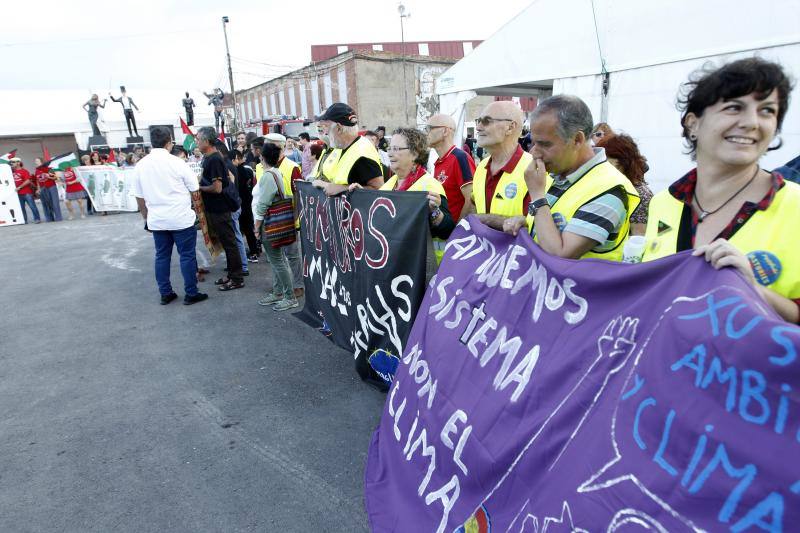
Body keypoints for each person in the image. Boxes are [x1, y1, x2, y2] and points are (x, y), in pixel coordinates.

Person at [643, 57, 799, 323]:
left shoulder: (794, 206)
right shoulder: (664, 204)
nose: (752, 122)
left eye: (767, 111)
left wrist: (752, 291)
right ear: (693, 124)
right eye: (734, 107)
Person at [493, 95, 640, 262]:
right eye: (533, 143)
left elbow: (559, 255)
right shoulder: (562, 175)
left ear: (577, 140)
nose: (534, 152)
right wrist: (528, 223)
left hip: (583, 288)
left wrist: (537, 197)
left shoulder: (610, 189)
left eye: (545, 144)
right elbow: (553, 227)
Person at [353, 128, 455, 264]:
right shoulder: (392, 182)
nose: (389, 153)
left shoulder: (429, 185)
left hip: (422, 266)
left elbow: (447, 230)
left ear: (414, 153)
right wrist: (363, 195)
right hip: (396, 261)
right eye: (389, 148)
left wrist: (435, 212)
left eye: (396, 149)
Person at [133, 126, 207, 305]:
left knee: (162, 256)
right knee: (187, 256)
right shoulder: (177, 162)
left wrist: (146, 218)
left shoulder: (141, 165)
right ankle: (191, 293)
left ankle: (165, 293)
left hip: (157, 220)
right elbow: (194, 188)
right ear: (169, 142)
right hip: (180, 217)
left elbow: (139, 197)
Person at [196, 126, 245, 291]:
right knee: (226, 243)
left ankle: (237, 278)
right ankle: (231, 275)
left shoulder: (215, 159)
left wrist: (199, 188)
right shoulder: (209, 158)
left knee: (230, 243)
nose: (196, 141)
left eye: (197, 139)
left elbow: (217, 188)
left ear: (206, 141)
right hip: (214, 209)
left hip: (220, 208)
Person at [253, 143, 299, 312]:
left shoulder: (267, 176)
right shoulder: (277, 172)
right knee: (277, 260)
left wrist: (256, 227)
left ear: (262, 157)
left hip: (269, 223)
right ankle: (279, 292)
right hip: (277, 222)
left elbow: (263, 204)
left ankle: (289, 296)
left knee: (277, 261)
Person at [470, 101, 533, 222]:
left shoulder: (533, 169)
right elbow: (475, 206)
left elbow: (536, 226)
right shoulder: (482, 166)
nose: (478, 127)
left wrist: (487, 220)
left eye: (487, 121)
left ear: (510, 127)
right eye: (478, 121)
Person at [313, 103, 383, 195]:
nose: (325, 132)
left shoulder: (362, 153)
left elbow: (379, 190)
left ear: (339, 128)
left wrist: (340, 188)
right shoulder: (342, 148)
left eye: (327, 127)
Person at [264, 132, 303, 297]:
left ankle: (298, 285)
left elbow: (298, 194)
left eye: (268, 143)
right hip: (269, 218)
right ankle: (280, 286)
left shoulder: (292, 166)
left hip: (287, 217)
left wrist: (295, 218)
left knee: (292, 255)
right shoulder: (261, 166)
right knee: (275, 257)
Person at [595, 133, 652, 235]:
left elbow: (638, 237)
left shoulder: (640, 194)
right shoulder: (609, 185)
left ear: (621, 162)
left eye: (604, 157)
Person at [427, 113, 476, 221]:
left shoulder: (460, 157)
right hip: (443, 232)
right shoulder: (440, 161)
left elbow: (472, 200)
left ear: (445, 131)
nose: (426, 133)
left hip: (455, 234)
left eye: (430, 128)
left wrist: (457, 232)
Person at [215, 141, 249, 278]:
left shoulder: (226, 165)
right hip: (234, 204)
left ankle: (243, 266)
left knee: (235, 236)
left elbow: (230, 186)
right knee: (234, 236)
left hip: (233, 205)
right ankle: (237, 264)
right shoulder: (227, 163)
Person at [34, 158, 63, 222]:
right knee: (46, 204)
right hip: (42, 188)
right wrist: (38, 189)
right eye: (35, 161)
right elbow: (37, 180)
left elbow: (56, 177)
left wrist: (48, 176)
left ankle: (58, 217)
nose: (35, 162)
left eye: (37, 161)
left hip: (51, 187)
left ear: (41, 162)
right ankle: (49, 218)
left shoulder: (48, 168)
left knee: (55, 203)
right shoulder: (37, 170)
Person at [12, 158, 40, 223]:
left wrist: (19, 187)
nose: (12, 164)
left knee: (32, 206)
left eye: (13, 162)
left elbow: (28, 181)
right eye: (12, 162)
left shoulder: (24, 171)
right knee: (21, 208)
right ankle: (24, 220)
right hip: (18, 193)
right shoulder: (12, 172)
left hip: (27, 193)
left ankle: (37, 219)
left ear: (18, 163)